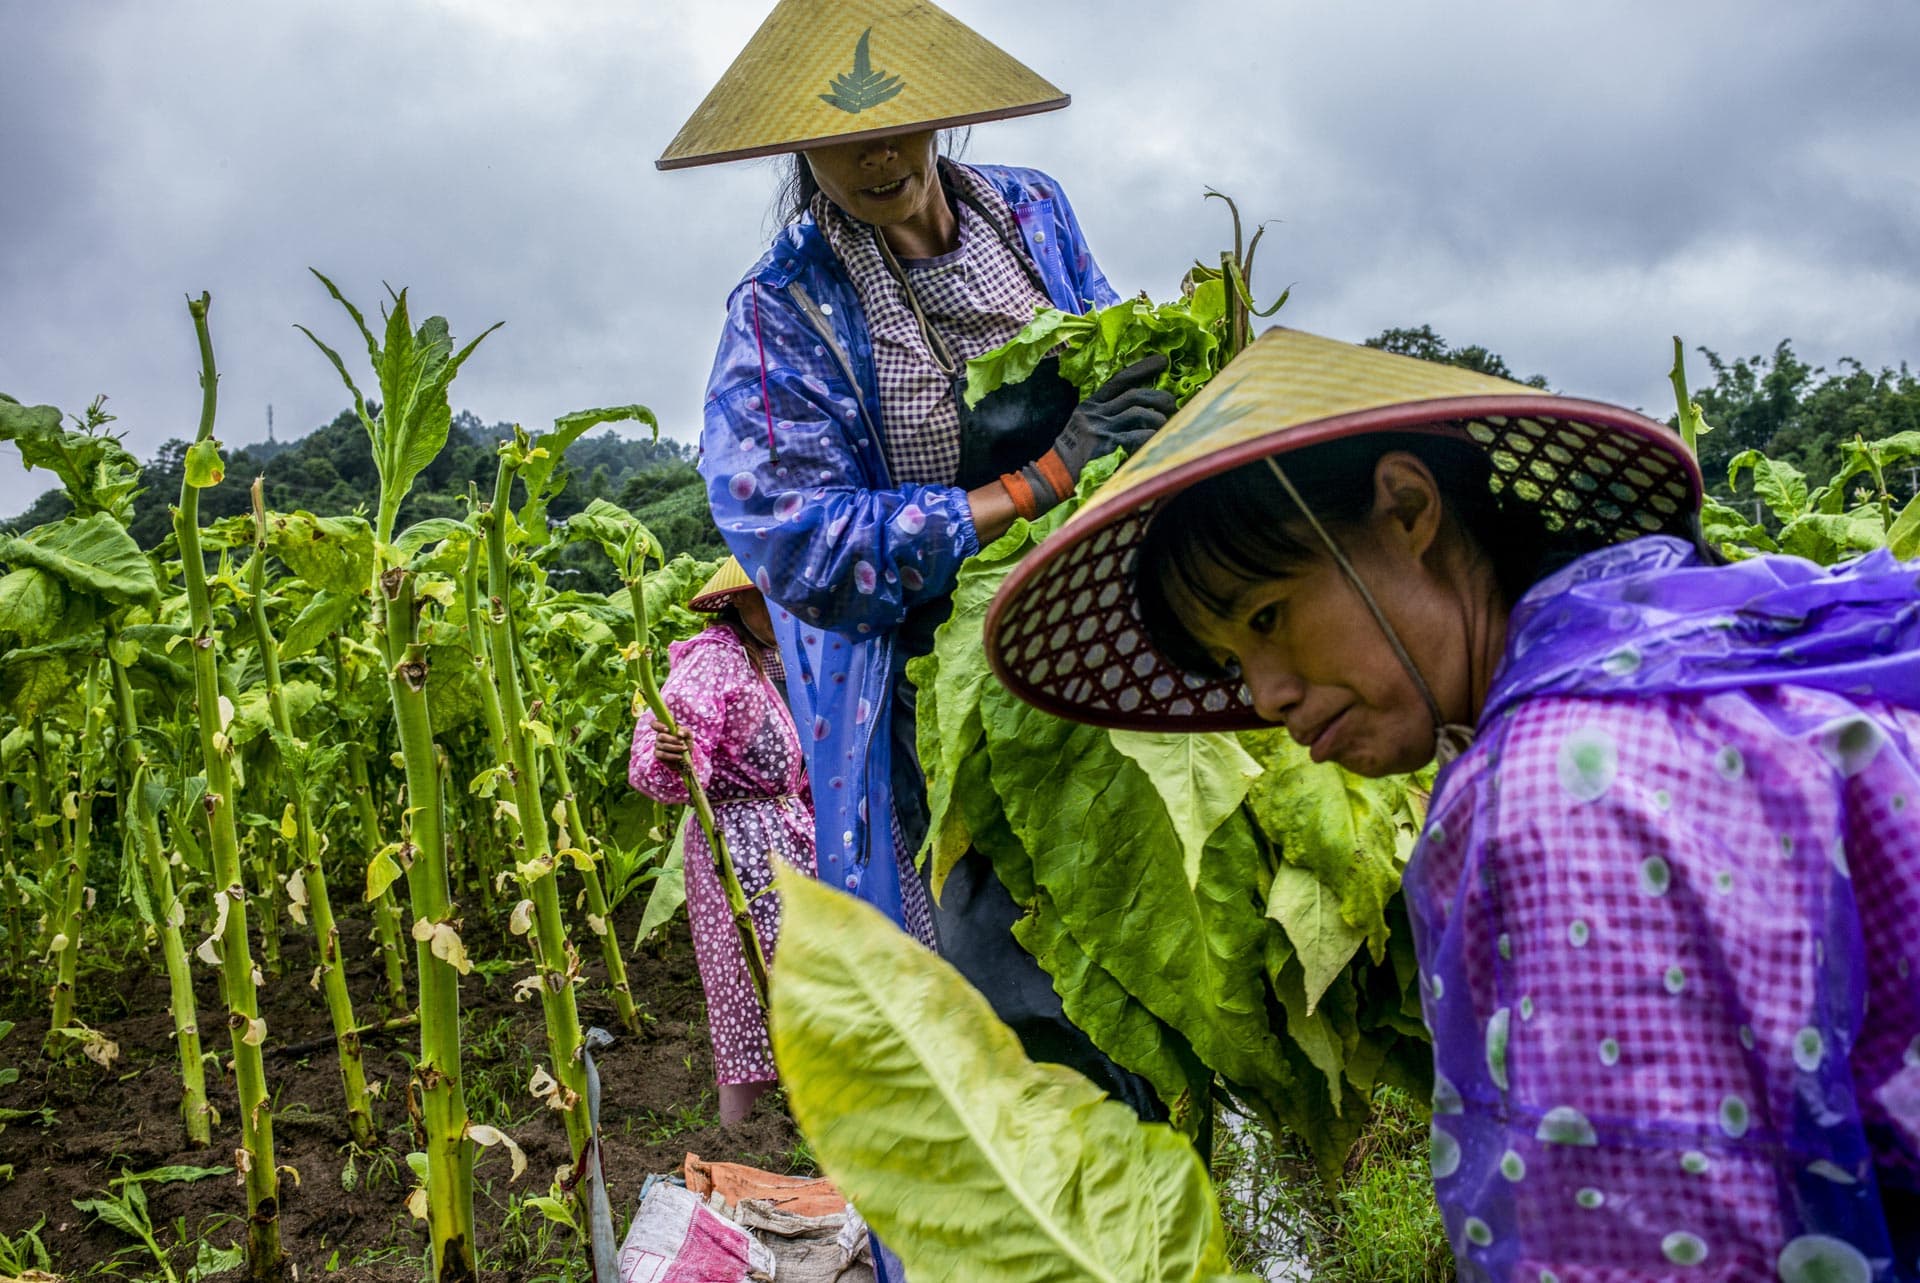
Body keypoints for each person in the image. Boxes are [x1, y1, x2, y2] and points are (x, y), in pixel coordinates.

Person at [983, 326, 1920, 1279]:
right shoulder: (1721, 656)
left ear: (1407, 508)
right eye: (1231, 660)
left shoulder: (1556, 797)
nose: (1264, 695)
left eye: (1269, 615)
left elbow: (1639, 1243)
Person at [656, 0, 1173, 1127]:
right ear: (798, 147)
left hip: (1101, 630)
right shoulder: (784, 309)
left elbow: (1104, 345)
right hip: (945, 695)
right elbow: (792, 535)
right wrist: (1033, 484)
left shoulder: (1032, 214)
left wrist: (1147, 401)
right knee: (1006, 982)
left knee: (1148, 943)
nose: (881, 154)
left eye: (902, 123)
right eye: (844, 135)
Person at [629, 558, 815, 1126]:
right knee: (748, 979)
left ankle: (804, 1112)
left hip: (779, 837)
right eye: (768, 599)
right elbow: (657, 765)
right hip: (739, 848)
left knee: (798, 978)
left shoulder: (765, 655)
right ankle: (748, 1130)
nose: (782, 612)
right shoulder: (713, 659)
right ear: (738, 601)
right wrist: (672, 754)